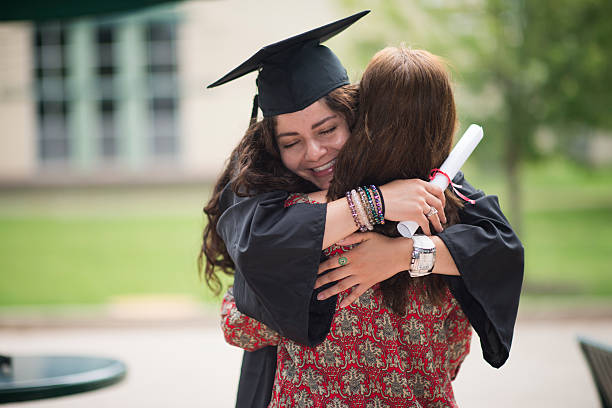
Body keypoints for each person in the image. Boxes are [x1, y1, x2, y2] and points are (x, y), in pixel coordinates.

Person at [202, 10, 523, 408]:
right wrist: (375, 203)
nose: (314, 153)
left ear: (355, 117)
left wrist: (403, 254)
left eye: (327, 129)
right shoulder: (260, 188)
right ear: (272, 147)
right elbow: (250, 284)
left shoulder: (421, 185)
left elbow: (498, 243)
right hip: (273, 379)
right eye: (291, 142)